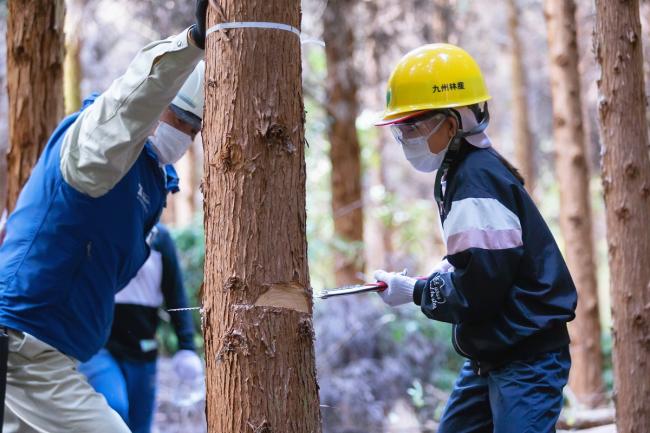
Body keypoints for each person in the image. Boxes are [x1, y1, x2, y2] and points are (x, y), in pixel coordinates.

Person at [0, 1, 209, 431]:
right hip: (23, 345)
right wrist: (190, 44)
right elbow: (131, 101)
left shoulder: (149, 189)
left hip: (48, 352)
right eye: (179, 117)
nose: (184, 133)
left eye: (194, 127)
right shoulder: (94, 149)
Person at [372, 44, 577, 433]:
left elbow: (479, 288)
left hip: (525, 358)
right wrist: (446, 268)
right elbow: (486, 261)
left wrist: (416, 290)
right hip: (492, 351)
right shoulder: (461, 172)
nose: (405, 137)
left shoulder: (475, 180)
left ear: (451, 123)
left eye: (412, 126)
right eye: (401, 128)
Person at [79, 223, 201, 433]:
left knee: (140, 426)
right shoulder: (94, 225)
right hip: (97, 346)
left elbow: (175, 295)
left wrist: (187, 346)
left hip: (143, 349)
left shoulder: (160, 238)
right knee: (113, 410)